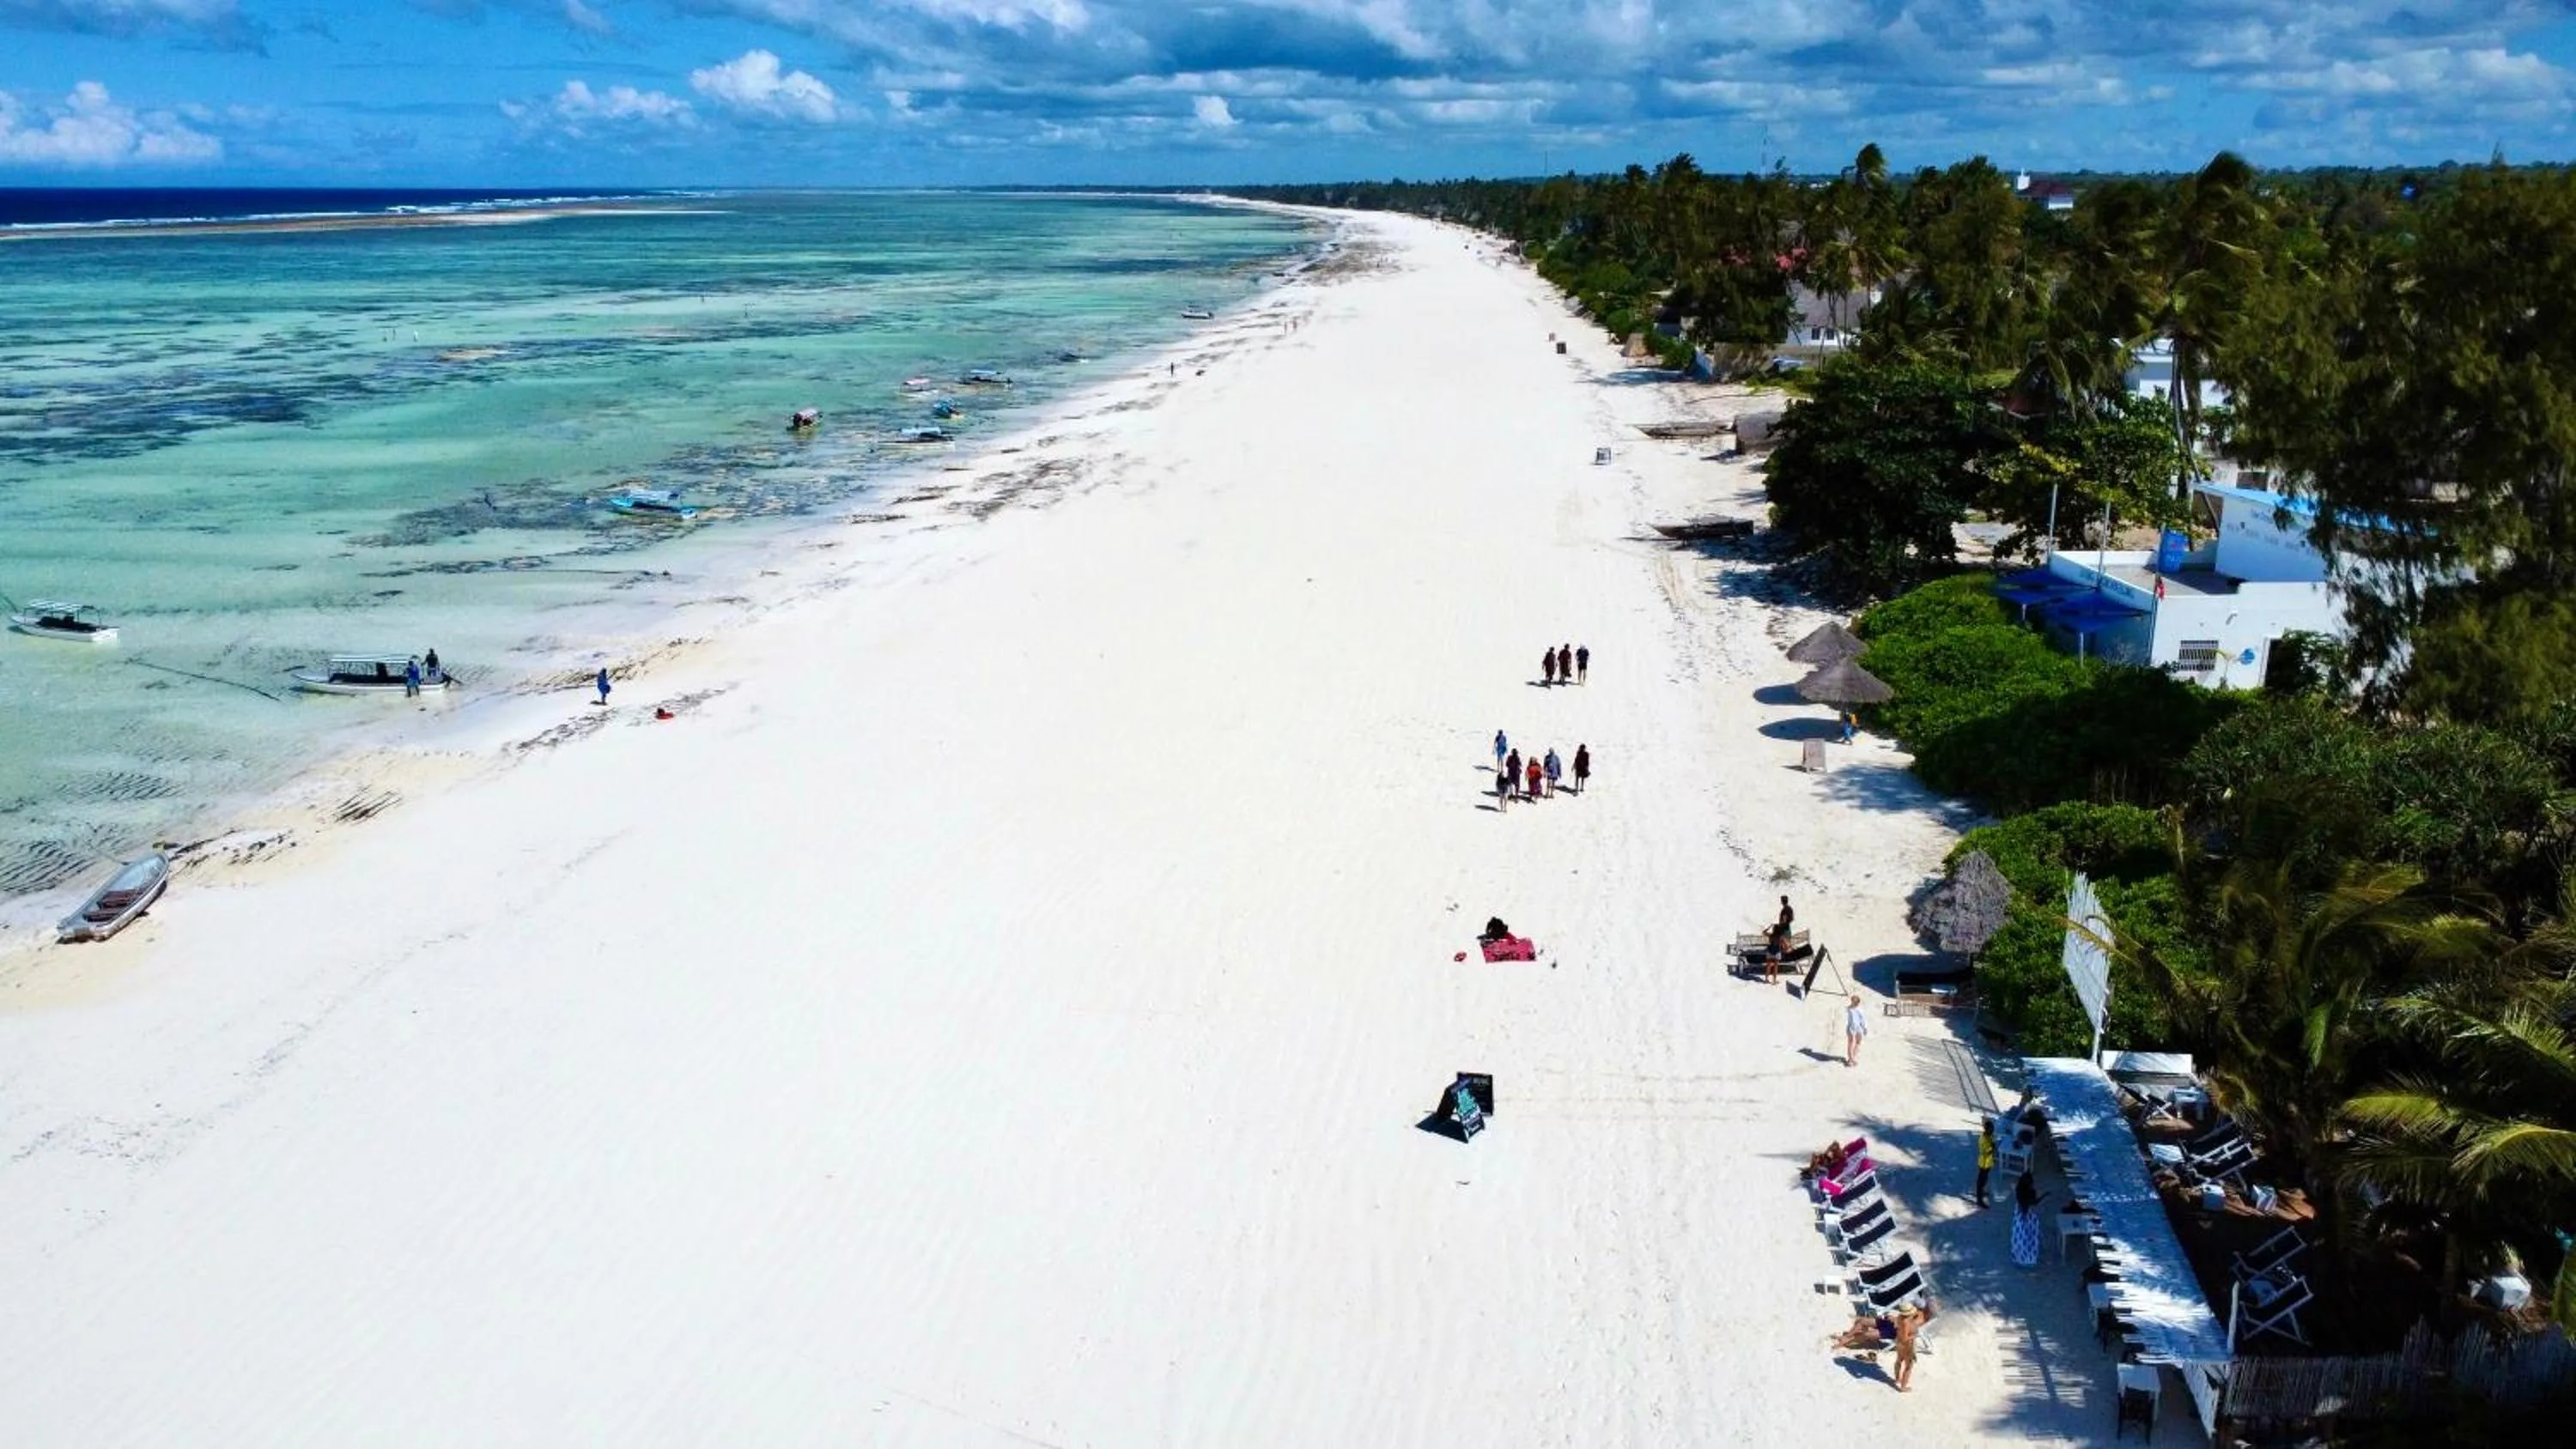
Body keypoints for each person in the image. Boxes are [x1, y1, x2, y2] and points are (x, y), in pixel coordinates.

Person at [2010, 1171, 2048, 1269]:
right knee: (2030, 1237)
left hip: (2019, 1214)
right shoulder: (2031, 1192)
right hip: (2029, 1216)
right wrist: (2045, 1195)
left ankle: (2018, 1258)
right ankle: (2029, 1259)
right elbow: (2035, 1203)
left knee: (2020, 1237)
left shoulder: (2019, 1190)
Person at [1892, 1300, 1931, 1391]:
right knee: (1909, 1366)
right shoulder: (1906, 1322)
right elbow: (1905, 1338)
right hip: (1907, 1345)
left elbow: (1903, 1324)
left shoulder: (1900, 1317)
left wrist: (1915, 1315)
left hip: (1899, 1343)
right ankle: (1903, 1387)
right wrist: (1915, 1335)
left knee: (1899, 1361)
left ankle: (1897, 1379)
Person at [1975, 1119, 1997, 1209]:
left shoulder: (1990, 1136)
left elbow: (1993, 1143)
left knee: (1985, 1178)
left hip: (1988, 1162)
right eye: (1991, 1129)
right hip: (1983, 1163)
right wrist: (1992, 1148)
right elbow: (1986, 1151)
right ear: (1987, 1129)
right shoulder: (1983, 1139)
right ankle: (1979, 1200)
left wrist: (1993, 1147)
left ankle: (1982, 1191)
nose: (1993, 1130)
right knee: (1980, 1180)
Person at [1844, 994, 1868, 1067]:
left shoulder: (1849, 1009)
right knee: (1857, 1043)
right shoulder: (1860, 1010)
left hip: (1851, 1027)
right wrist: (1865, 1028)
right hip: (1858, 1028)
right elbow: (1863, 1020)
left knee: (1850, 1044)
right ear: (1858, 1003)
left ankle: (1851, 1059)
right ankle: (1852, 1059)